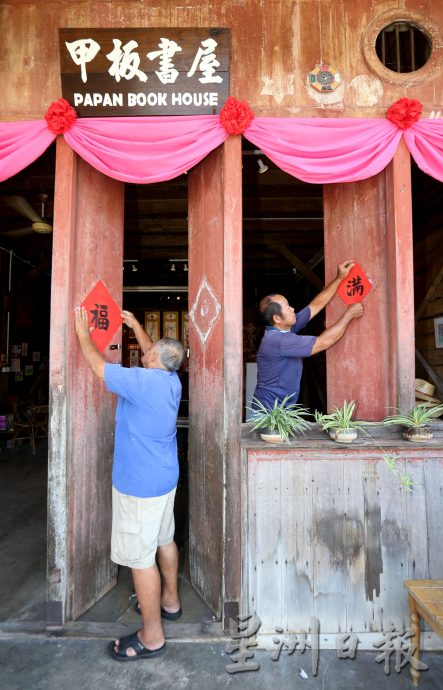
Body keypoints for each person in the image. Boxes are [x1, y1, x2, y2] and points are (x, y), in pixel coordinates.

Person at [74, 306, 184, 662]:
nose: (144, 352)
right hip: (164, 480)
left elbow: (97, 367)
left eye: (148, 351)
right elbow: (157, 352)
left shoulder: (141, 381)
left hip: (139, 486)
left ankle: (151, 635)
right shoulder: (171, 379)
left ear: (153, 359)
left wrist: (81, 334)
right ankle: (171, 601)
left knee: (140, 559)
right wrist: (137, 325)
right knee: (164, 540)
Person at [252, 260, 364, 409]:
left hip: (281, 410)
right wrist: (349, 314)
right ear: (277, 319)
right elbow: (323, 342)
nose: (292, 309)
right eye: (287, 307)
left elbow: (315, 306)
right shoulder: (278, 340)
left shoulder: (284, 328)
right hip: (269, 413)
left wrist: (339, 279)